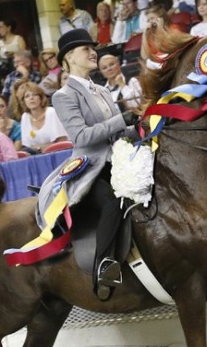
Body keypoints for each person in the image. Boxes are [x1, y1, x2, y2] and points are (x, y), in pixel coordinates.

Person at [45, 28, 139, 301]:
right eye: (85, 49)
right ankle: (103, 266)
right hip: (91, 167)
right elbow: (82, 137)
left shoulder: (101, 90)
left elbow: (117, 133)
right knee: (113, 201)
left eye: (92, 47)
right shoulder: (63, 96)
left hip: (118, 160)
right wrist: (122, 119)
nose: (92, 52)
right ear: (69, 58)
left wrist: (142, 127)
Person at [19, 82, 69, 153]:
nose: (31, 98)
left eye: (35, 94)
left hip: (58, 153)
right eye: (27, 96)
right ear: (24, 101)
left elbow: (62, 141)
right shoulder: (25, 117)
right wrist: (43, 147)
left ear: (41, 98)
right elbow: (28, 147)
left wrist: (38, 148)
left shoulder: (51, 112)